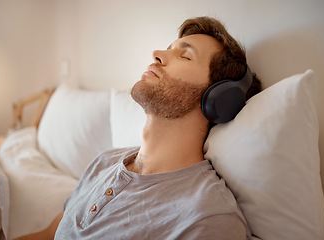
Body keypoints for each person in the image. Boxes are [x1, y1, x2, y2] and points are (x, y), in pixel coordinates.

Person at [15, 16, 262, 240]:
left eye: (185, 56)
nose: (156, 54)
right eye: (167, 49)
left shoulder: (207, 218)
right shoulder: (104, 161)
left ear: (218, 98)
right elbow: (49, 234)